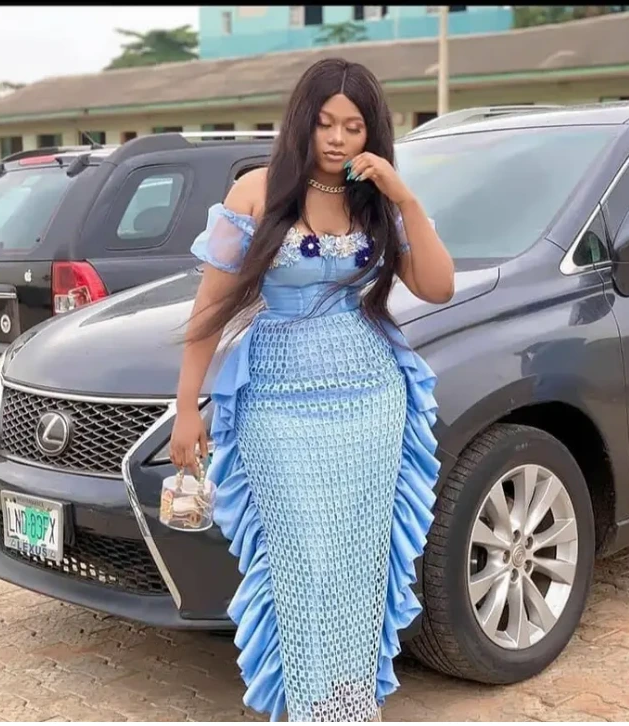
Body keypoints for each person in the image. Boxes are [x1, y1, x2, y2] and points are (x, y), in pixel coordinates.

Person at [171, 58, 455, 723]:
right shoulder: (256, 191)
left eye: (353, 127)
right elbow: (208, 311)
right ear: (303, 120)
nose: (337, 138)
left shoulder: (375, 200)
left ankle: (351, 706)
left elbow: (438, 286)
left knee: (359, 563)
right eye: (326, 123)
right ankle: (309, 709)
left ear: (371, 131)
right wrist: (187, 407)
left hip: (372, 400)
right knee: (302, 565)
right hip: (277, 404)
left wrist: (405, 198)